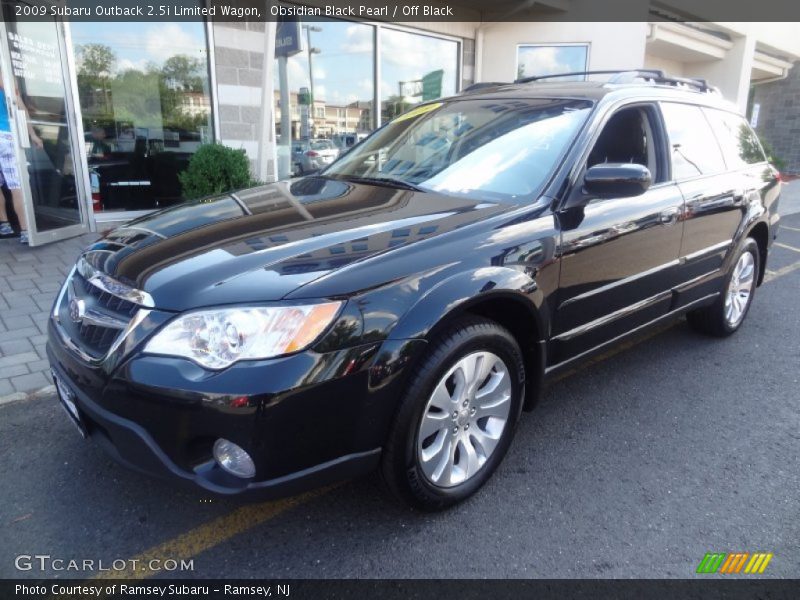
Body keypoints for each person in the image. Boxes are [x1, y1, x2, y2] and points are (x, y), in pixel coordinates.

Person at [0, 75, 43, 245]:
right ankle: (25, 230)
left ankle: (5, 225)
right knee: (17, 186)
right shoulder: (6, 76)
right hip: (6, 135)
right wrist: (32, 134)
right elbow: (20, 108)